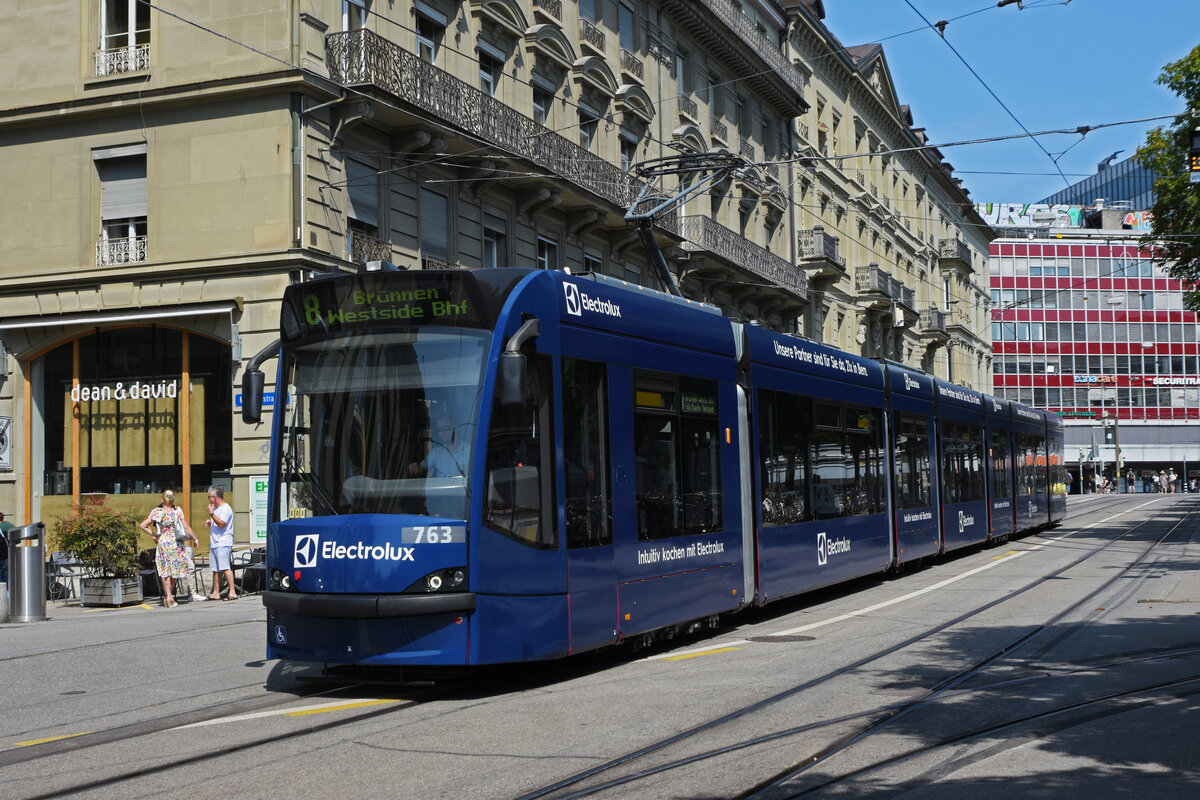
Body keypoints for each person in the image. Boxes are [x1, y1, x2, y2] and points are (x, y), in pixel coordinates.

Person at [139, 491, 198, 608]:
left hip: (164, 543)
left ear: (162, 499)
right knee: (175, 570)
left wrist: (155, 534)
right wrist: (195, 539)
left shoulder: (157, 512)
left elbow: (143, 525)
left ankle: (169, 596)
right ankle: (169, 596)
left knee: (165, 570)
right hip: (176, 544)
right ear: (173, 500)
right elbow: (186, 527)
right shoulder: (177, 512)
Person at [204, 487, 238, 600]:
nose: (208, 499)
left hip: (223, 542)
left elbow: (222, 524)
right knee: (215, 568)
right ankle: (216, 592)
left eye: (209, 497)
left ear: (214, 498)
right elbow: (217, 522)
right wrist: (210, 522)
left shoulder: (225, 508)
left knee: (225, 567)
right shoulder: (217, 509)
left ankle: (232, 591)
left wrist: (211, 515)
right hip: (215, 543)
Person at [0, 512, 13, 586]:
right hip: (6, 553)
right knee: (6, 574)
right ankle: (7, 593)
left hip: (2, 555)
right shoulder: (9, 524)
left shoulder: (1, 527)